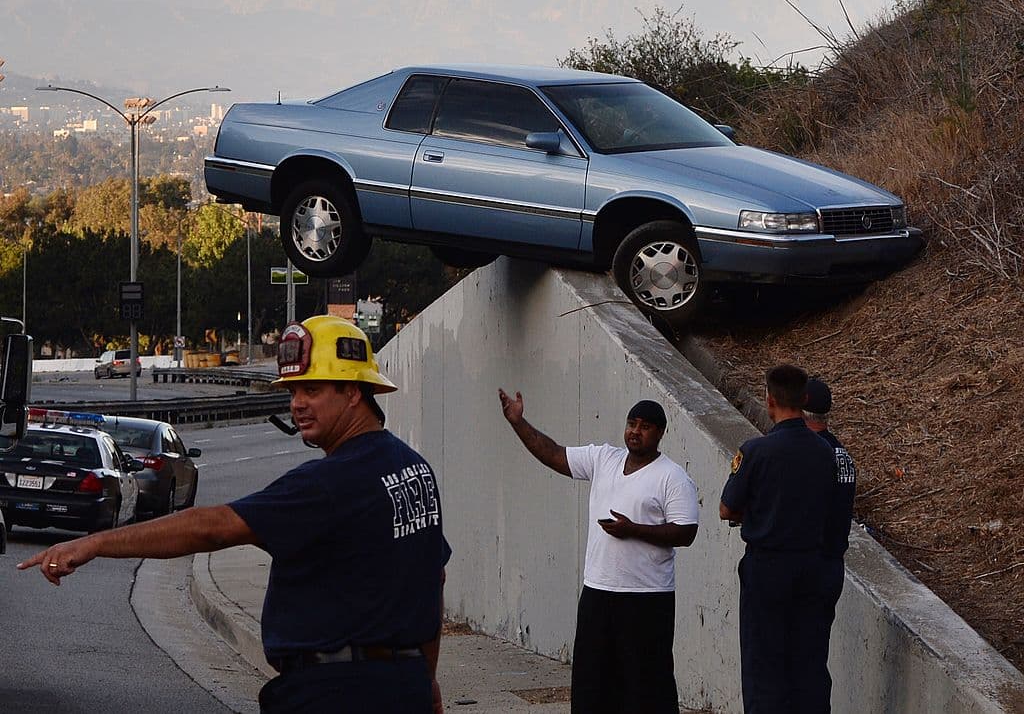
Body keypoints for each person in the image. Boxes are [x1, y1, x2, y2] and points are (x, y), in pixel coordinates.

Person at [20, 315, 450, 714]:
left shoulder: (327, 483)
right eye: (293, 392)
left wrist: (96, 542)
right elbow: (432, 579)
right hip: (404, 684)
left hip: (335, 693)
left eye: (313, 390)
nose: (298, 404)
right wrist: (426, 679)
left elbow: (211, 528)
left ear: (354, 392)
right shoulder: (413, 469)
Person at [498, 389, 699, 714]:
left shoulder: (672, 477)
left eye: (645, 426)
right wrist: (518, 422)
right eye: (631, 423)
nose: (635, 431)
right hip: (598, 592)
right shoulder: (605, 458)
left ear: (661, 433)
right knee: (593, 683)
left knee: (646, 685)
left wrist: (633, 530)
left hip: (647, 597)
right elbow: (554, 454)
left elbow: (686, 532)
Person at [718, 364, 836, 714]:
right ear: (804, 399)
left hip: (768, 568)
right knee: (809, 663)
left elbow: (727, 508)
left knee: (764, 665)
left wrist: (758, 513)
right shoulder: (824, 452)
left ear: (769, 400)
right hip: (812, 566)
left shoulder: (756, 451)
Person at [803, 377, 857, 705]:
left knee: (792, 661)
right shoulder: (843, 456)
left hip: (806, 565)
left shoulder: (809, 455)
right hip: (832, 565)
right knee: (815, 659)